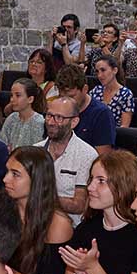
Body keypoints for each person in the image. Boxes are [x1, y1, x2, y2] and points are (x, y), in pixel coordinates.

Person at [4, 146, 71, 274]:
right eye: (7, 171)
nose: (5, 179)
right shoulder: (2, 207)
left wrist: (2, 270)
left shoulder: (57, 224)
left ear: (37, 180)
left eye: (15, 174)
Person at [36, 96, 98, 226]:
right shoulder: (36, 150)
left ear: (74, 122)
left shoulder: (87, 155)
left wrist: (38, 198)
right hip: (36, 222)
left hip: (71, 226)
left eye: (59, 117)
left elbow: (79, 204)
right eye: (49, 115)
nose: (51, 122)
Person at [54, 64, 115, 154]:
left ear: (85, 89)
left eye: (72, 96)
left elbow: (103, 156)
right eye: (62, 97)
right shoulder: (55, 111)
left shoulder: (101, 114)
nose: (67, 101)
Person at [1, 77, 46, 149]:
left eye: (18, 95)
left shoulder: (39, 122)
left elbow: (37, 151)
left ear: (30, 99)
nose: (12, 99)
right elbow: (2, 143)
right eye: (11, 95)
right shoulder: (11, 118)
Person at [90, 55, 134, 128]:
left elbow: (124, 127)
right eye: (97, 71)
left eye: (103, 70)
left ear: (115, 70)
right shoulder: (95, 91)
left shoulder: (125, 94)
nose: (99, 75)